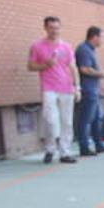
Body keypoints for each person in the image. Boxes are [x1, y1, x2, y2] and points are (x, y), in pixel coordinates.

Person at [27, 16, 79, 165]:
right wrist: (45, 65)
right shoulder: (37, 46)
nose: (55, 31)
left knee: (67, 121)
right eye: (51, 28)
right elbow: (30, 66)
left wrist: (77, 87)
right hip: (49, 87)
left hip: (67, 87)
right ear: (45, 28)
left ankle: (65, 152)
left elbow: (73, 67)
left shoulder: (66, 47)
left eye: (57, 28)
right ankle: (50, 149)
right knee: (50, 120)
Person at [74, 26, 104, 157]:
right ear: (95, 37)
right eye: (101, 37)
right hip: (87, 90)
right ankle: (84, 147)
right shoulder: (84, 50)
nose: (102, 40)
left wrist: (102, 76)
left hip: (93, 89)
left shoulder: (90, 50)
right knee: (85, 119)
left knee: (97, 118)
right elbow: (84, 69)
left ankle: (98, 144)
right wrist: (100, 74)